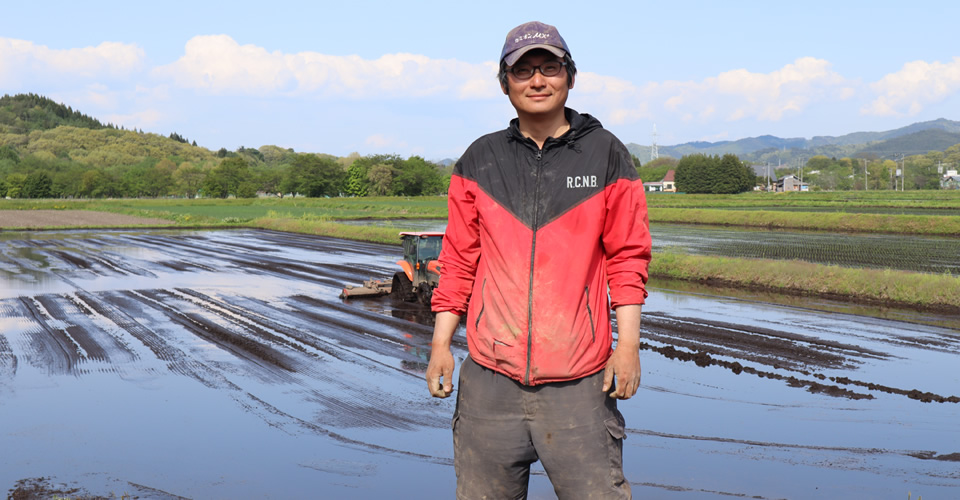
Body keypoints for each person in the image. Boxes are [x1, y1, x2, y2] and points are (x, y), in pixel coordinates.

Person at [426, 20, 652, 499]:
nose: (537, 80)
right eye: (523, 71)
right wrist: (441, 344)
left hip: (580, 386)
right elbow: (459, 260)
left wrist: (627, 346)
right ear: (504, 83)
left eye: (549, 67)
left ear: (570, 76)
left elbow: (627, 260)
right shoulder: (480, 160)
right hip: (490, 382)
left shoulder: (605, 155)